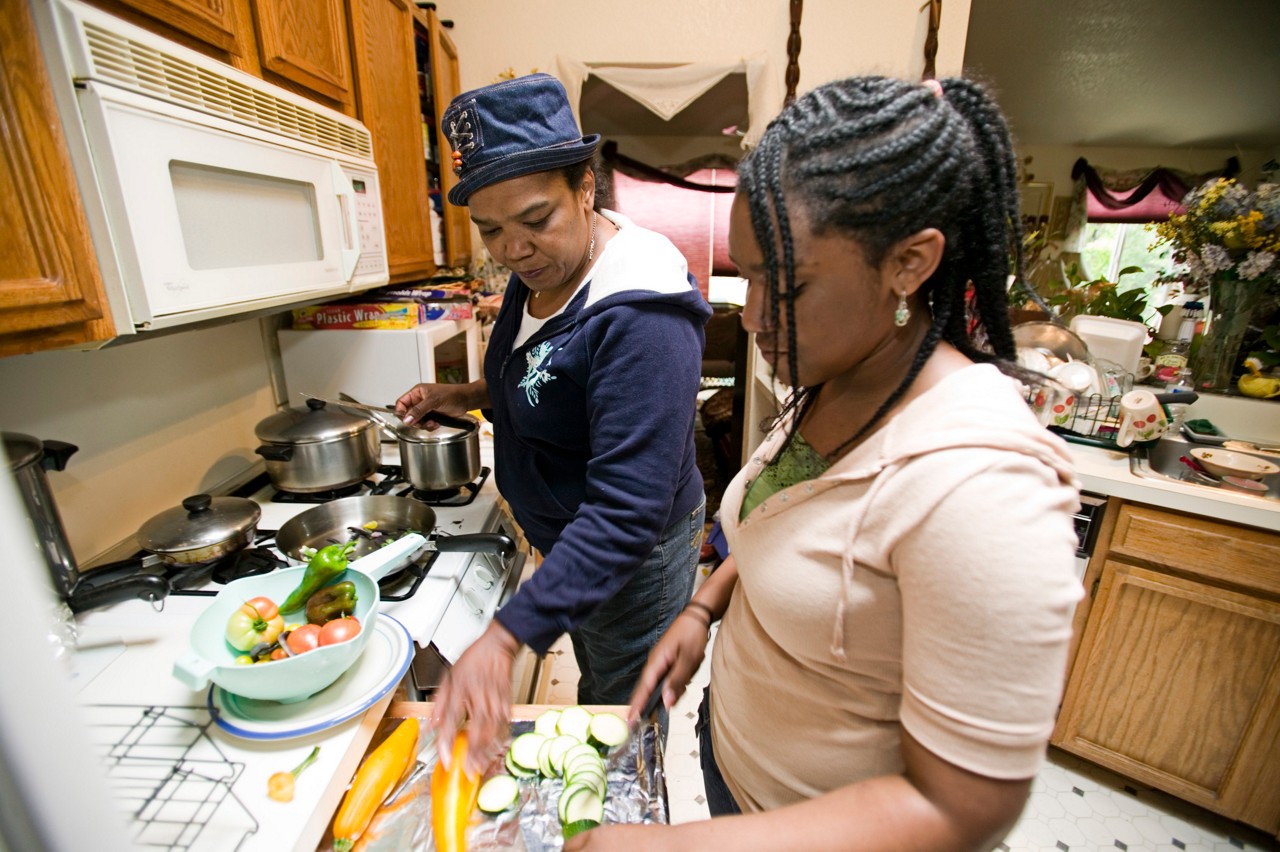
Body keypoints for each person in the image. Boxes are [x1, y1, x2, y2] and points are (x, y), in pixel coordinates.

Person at [566, 76, 1083, 851]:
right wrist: (705, 609)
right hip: (741, 771)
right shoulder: (840, 374)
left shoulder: (983, 487)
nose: (752, 315)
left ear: (909, 263)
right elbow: (796, 517)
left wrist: (670, 846)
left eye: (788, 284)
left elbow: (963, 809)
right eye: (748, 276)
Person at [395, 73, 711, 772]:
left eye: (535, 220)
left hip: (634, 556)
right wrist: (471, 393)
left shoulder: (640, 314)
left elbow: (627, 511)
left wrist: (507, 636)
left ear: (587, 187)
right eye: (491, 230)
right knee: (599, 674)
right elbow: (543, 381)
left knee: (619, 713)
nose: (512, 249)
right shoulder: (538, 269)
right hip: (570, 541)